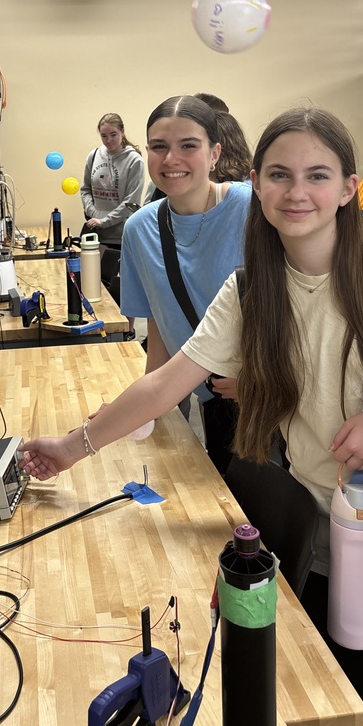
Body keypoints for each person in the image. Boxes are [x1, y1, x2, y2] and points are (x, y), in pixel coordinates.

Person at [22, 106, 363, 726]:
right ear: (258, 183)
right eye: (279, 175)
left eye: (317, 175)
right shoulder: (253, 290)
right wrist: (71, 446)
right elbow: (166, 382)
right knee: (349, 721)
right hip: (329, 541)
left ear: (350, 187)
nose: (297, 192)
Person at [120, 95, 252, 471]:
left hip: (270, 396)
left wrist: (263, 380)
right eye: (159, 147)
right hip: (212, 398)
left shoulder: (252, 209)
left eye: (188, 146)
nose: (170, 159)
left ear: (214, 154)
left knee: (275, 508)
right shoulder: (139, 230)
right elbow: (161, 324)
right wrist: (147, 407)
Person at [80, 113, 145, 332]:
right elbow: (85, 189)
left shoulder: (134, 160)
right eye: (104, 136)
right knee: (91, 285)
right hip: (95, 229)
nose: (108, 140)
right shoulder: (94, 155)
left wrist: (105, 220)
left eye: (113, 135)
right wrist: (91, 213)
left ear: (123, 132)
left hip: (120, 232)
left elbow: (131, 202)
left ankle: (127, 330)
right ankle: (96, 328)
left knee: (123, 288)